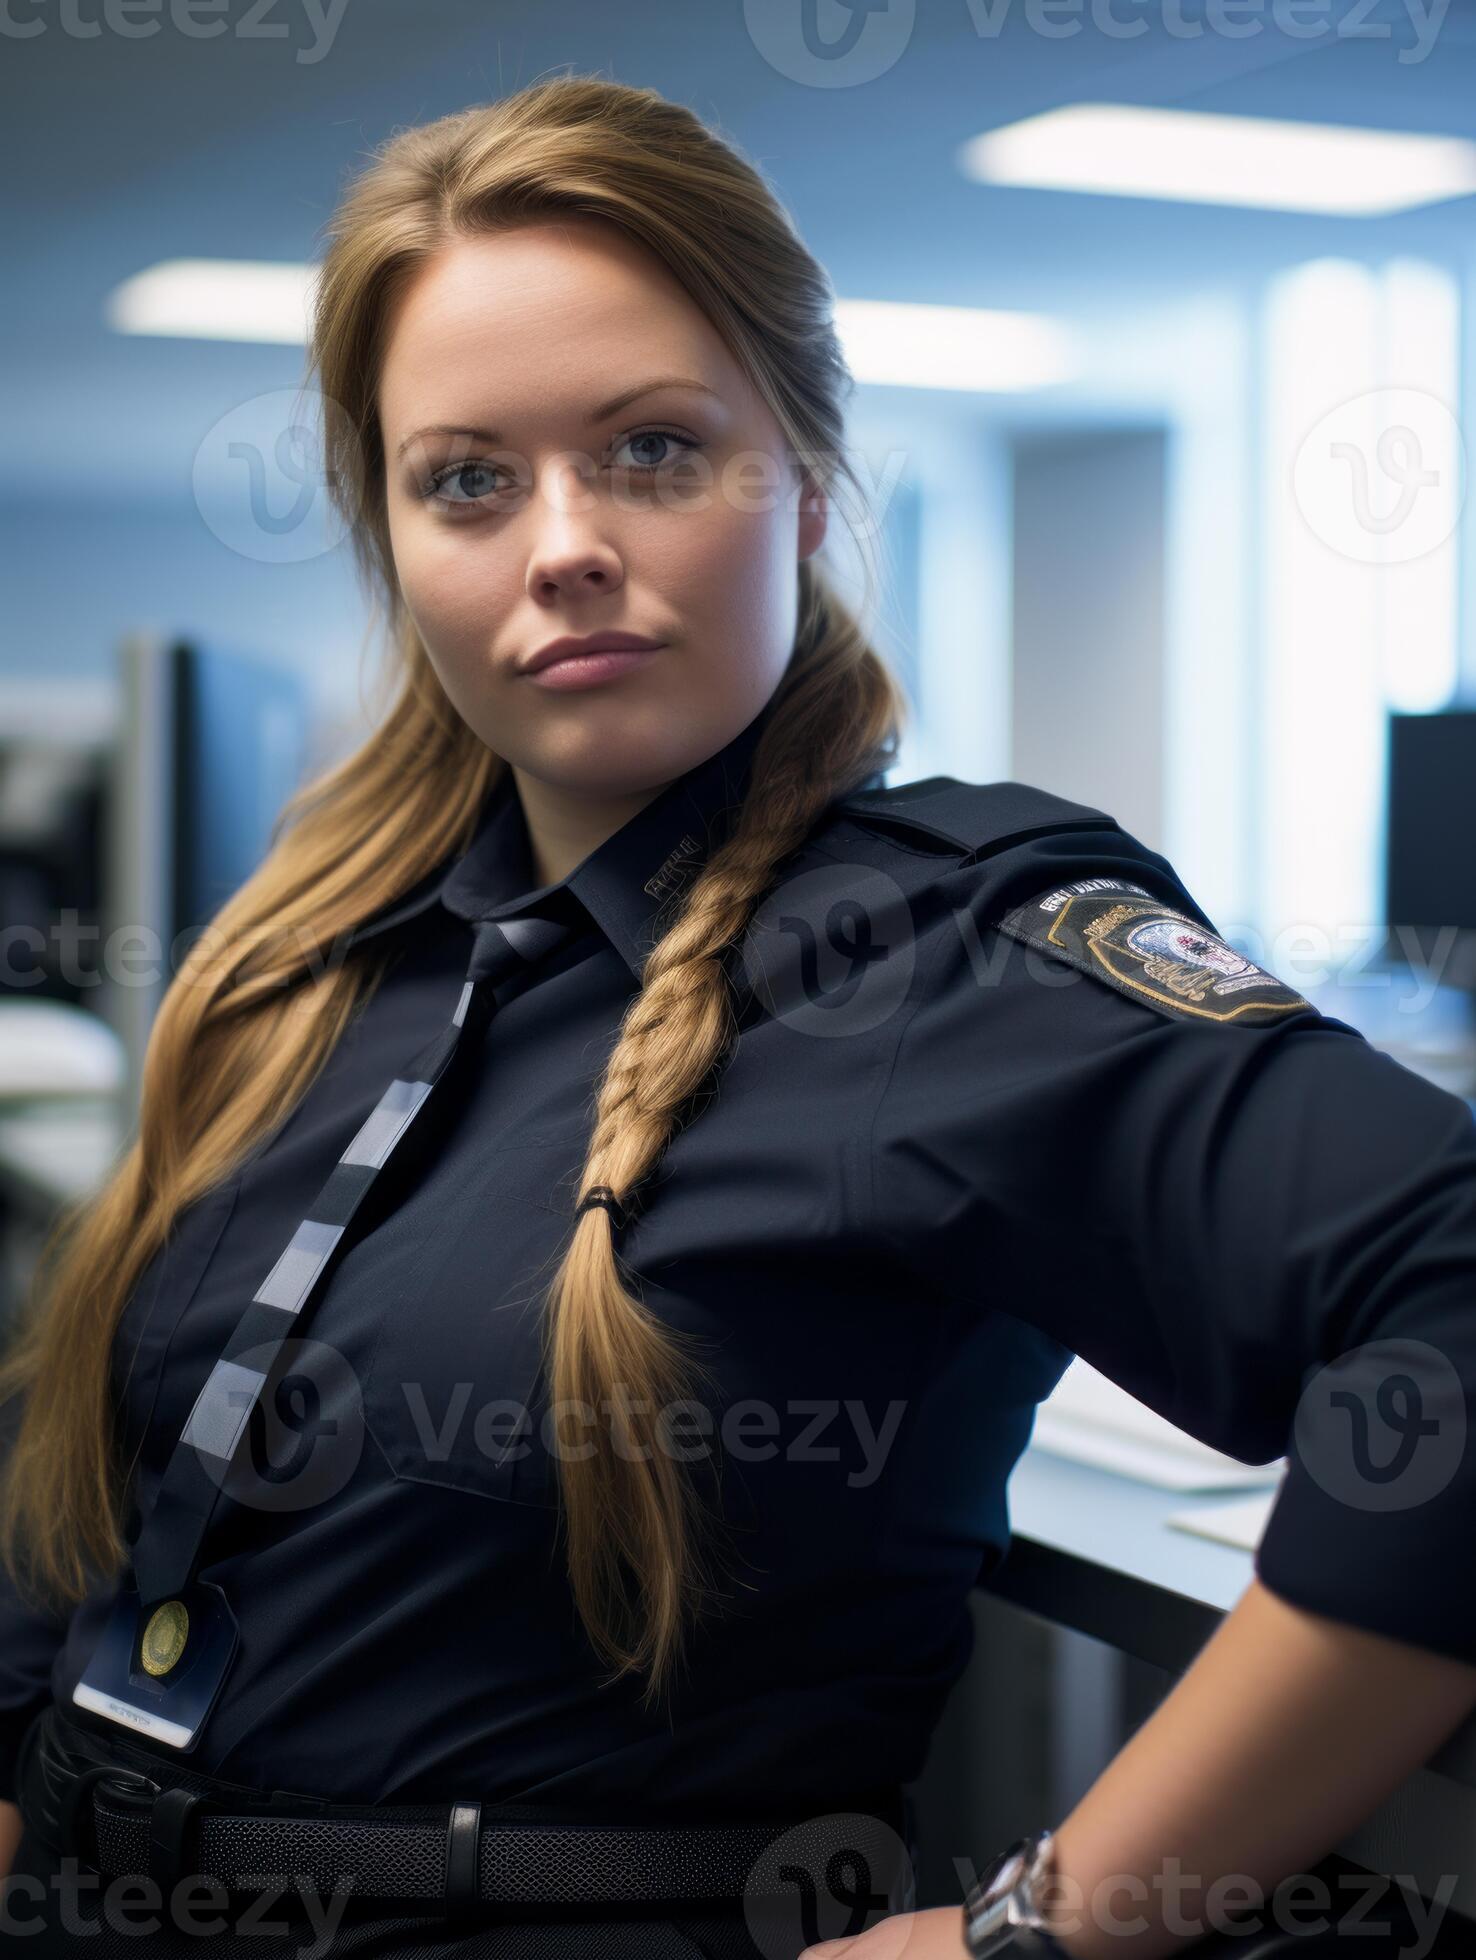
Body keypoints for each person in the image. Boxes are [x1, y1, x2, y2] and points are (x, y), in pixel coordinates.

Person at [4, 72, 1476, 1960]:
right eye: (469, 477)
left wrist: (1043, 1932)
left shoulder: (950, 945)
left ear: (808, 476)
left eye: (650, 450)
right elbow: (81, 1573)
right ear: (394, 544)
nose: (561, 545)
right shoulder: (315, 969)